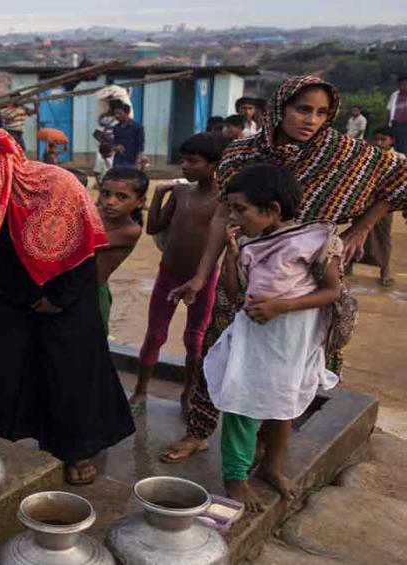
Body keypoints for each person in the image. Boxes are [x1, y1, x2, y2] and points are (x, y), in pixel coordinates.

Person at [162, 75, 407, 464]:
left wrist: (361, 229)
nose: (312, 120)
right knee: (221, 347)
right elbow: (223, 215)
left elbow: (399, 176)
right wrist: (201, 274)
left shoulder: (343, 153)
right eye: (302, 109)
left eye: (322, 113)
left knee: (291, 361)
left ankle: (266, 442)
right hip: (246, 268)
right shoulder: (242, 153)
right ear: (280, 108)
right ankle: (199, 430)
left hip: (308, 276)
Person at [0, 125, 135, 485]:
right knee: (9, 373)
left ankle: (74, 450)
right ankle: (6, 445)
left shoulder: (56, 185)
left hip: (66, 299)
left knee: (66, 374)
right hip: (12, 297)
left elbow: (84, 246)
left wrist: (59, 299)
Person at [208, 163, 341, 511]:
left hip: (292, 339)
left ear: (272, 210)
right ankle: (235, 476)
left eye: (240, 209)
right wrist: (231, 255)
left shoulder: (315, 241)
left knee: (284, 403)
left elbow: (332, 292)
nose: (233, 217)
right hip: (255, 338)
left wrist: (281, 306)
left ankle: (271, 466)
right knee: (242, 402)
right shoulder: (250, 243)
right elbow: (235, 293)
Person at [136, 133, 229, 415]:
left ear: (214, 165)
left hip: (202, 280)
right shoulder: (180, 193)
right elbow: (153, 228)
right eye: (183, 160)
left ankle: (189, 392)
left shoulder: (224, 201)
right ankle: (140, 390)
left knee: (195, 340)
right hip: (168, 273)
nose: (184, 166)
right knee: (154, 334)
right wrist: (158, 195)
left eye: (193, 161)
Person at [94, 167, 147, 337]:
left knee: (91, 342)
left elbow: (86, 244)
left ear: (140, 201)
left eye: (121, 197)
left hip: (93, 293)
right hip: (71, 288)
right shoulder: (93, 213)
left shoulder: (130, 230)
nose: (110, 202)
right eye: (105, 194)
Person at [353, 127, 405, 286]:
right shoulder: (367, 156)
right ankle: (347, 266)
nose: (379, 143)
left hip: (384, 205)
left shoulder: (399, 159)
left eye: (383, 140)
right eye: (376, 139)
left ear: (392, 141)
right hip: (363, 201)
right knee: (355, 232)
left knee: (383, 237)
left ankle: (385, 271)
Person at [112, 102, 145, 168]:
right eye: (115, 113)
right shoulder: (115, 128)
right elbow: (113, 143)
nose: (116, 116)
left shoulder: (137, 127)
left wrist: (137, 161)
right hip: (118, 161)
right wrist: (116, 147)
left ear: (127, 113)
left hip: (132, 161)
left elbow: (140, 146)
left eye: (119, 113)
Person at [388, 76, 407, 156]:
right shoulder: (394, 95)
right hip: (395, 124)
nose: (402, 87)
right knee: (394, 147)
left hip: (405, 125)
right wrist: (387, 125)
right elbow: (389, 110)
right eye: (400, 85)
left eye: (404, 85)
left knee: (404, 147)